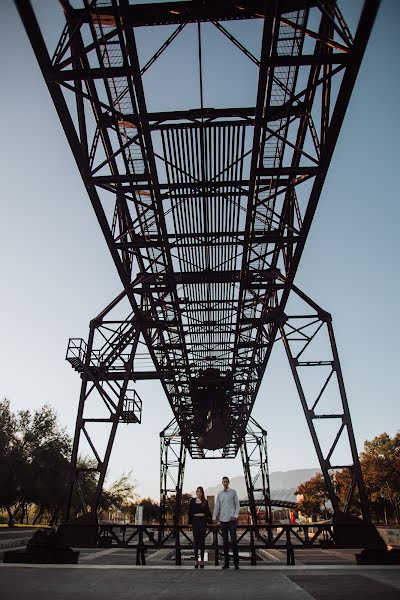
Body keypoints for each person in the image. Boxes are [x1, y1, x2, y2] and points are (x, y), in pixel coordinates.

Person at [213, 476, 240, 569]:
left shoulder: (233, 492)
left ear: (228, 483)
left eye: (226, 481)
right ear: (222, 483)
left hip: (231, 520)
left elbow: (237, 504)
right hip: (223, 520)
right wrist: (214, 516)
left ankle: (236, 563)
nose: (225, 483)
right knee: (224, 542)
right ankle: (226, 563)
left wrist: (236, 516)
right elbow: (217, 506)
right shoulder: (220, 494)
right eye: (223, 481)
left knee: (234, 542)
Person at [188, 486, 212, 568]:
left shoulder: (205, 501)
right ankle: (196, 560)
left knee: (202, 541)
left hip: (203, 521)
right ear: (196, 492)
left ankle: (202, 560)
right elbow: (189, 512)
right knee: (196, 541)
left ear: (202, 493)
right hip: (195, 521)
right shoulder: (192, 501)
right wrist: (190, 522)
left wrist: (211, 521)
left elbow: (208, 512)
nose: (199, 493)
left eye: (200, 491)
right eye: (197, 491)